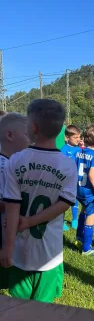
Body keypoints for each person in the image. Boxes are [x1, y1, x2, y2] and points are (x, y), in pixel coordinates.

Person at [0, 99, 77, 303]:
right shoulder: (68, 165)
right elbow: (64, 203)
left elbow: (12, 205)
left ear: (33, 128)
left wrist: (7, 246)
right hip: (49, 255)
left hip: (20, 253)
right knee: (44, 314)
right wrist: (32, 222)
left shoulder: (16, 160)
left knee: (20, 311)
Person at [0, 113, 30, 290]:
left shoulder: (10, 163)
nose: (31, 140)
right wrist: (16, 206)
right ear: (10, 135)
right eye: (26, 134)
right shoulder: (3, 166)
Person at [75, 124, 94, 255]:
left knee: (83, 210)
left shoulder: (78, 152)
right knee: (91, 215)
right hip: (89, 191)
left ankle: (79, 236)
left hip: (78, 189)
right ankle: (87, 248)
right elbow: (92, 175)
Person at [61, 124, 81, 230]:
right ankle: (61, 221)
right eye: (75, 137)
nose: (78, 139)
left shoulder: (79, 150)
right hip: (65, 181)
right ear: (67, 138)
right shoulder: (63, 150)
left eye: (79, 137)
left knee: (75, 199)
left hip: (76, 180)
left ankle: (75, 220)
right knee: (63, 200)